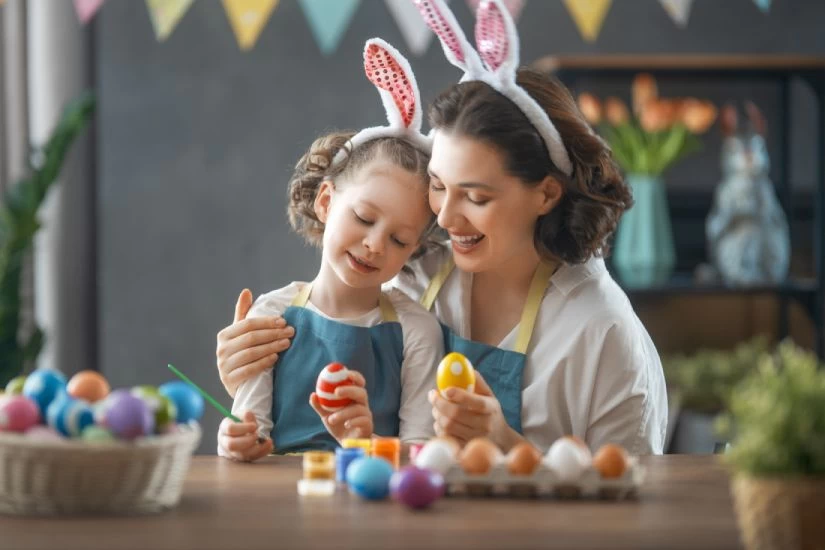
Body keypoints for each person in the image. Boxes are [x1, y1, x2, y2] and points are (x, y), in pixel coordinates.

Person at [217, 0, 668, 456]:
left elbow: (629, 505)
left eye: (476, 197)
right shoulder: (416, 274)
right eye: (437, 186)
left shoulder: (601, 332)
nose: (446, 220)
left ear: (546, 195)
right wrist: (252, 373)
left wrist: (505, 444)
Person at [217, 39, 443, 462]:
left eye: (398, 240)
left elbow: (422, 457)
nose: (375, 244)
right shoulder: (272, 316)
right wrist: (235, 441)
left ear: (415, 249)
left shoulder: (417, 332)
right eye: (363, 217)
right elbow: (247, 432)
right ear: (325, 202)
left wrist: (365, 440)